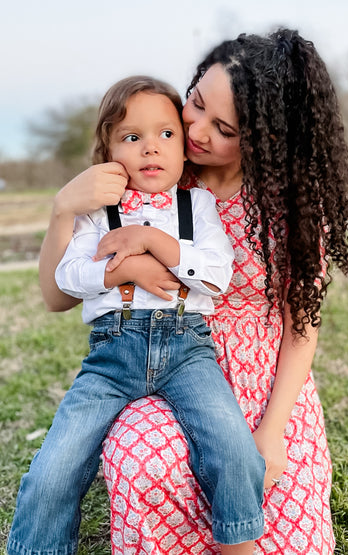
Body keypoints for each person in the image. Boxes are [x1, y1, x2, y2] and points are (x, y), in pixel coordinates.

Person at [34, 28, 348, 554]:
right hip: (163, 363)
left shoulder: (290, 204)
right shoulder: (156, 177)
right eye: (196, 103)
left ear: (265, 137)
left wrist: (273, 432)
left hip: (261, 383)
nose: (197, 130)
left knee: (267, 510)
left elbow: (303, 324)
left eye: (223, 126)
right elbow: (57, 296)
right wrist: (62, 209)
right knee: (142, 460)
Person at [7, 76, 267, 555]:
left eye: (167, 135)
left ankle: (240, 544)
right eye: (132, 137)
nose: (151, 148)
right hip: (112, 354)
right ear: (107, 149)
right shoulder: (97, 211)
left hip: (188, 349)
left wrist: (153, 245)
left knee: (235, 450)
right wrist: (122, 268)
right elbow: (68, 278)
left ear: (184, 148)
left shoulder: (197, 204)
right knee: (52, 470)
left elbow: (215, 276)